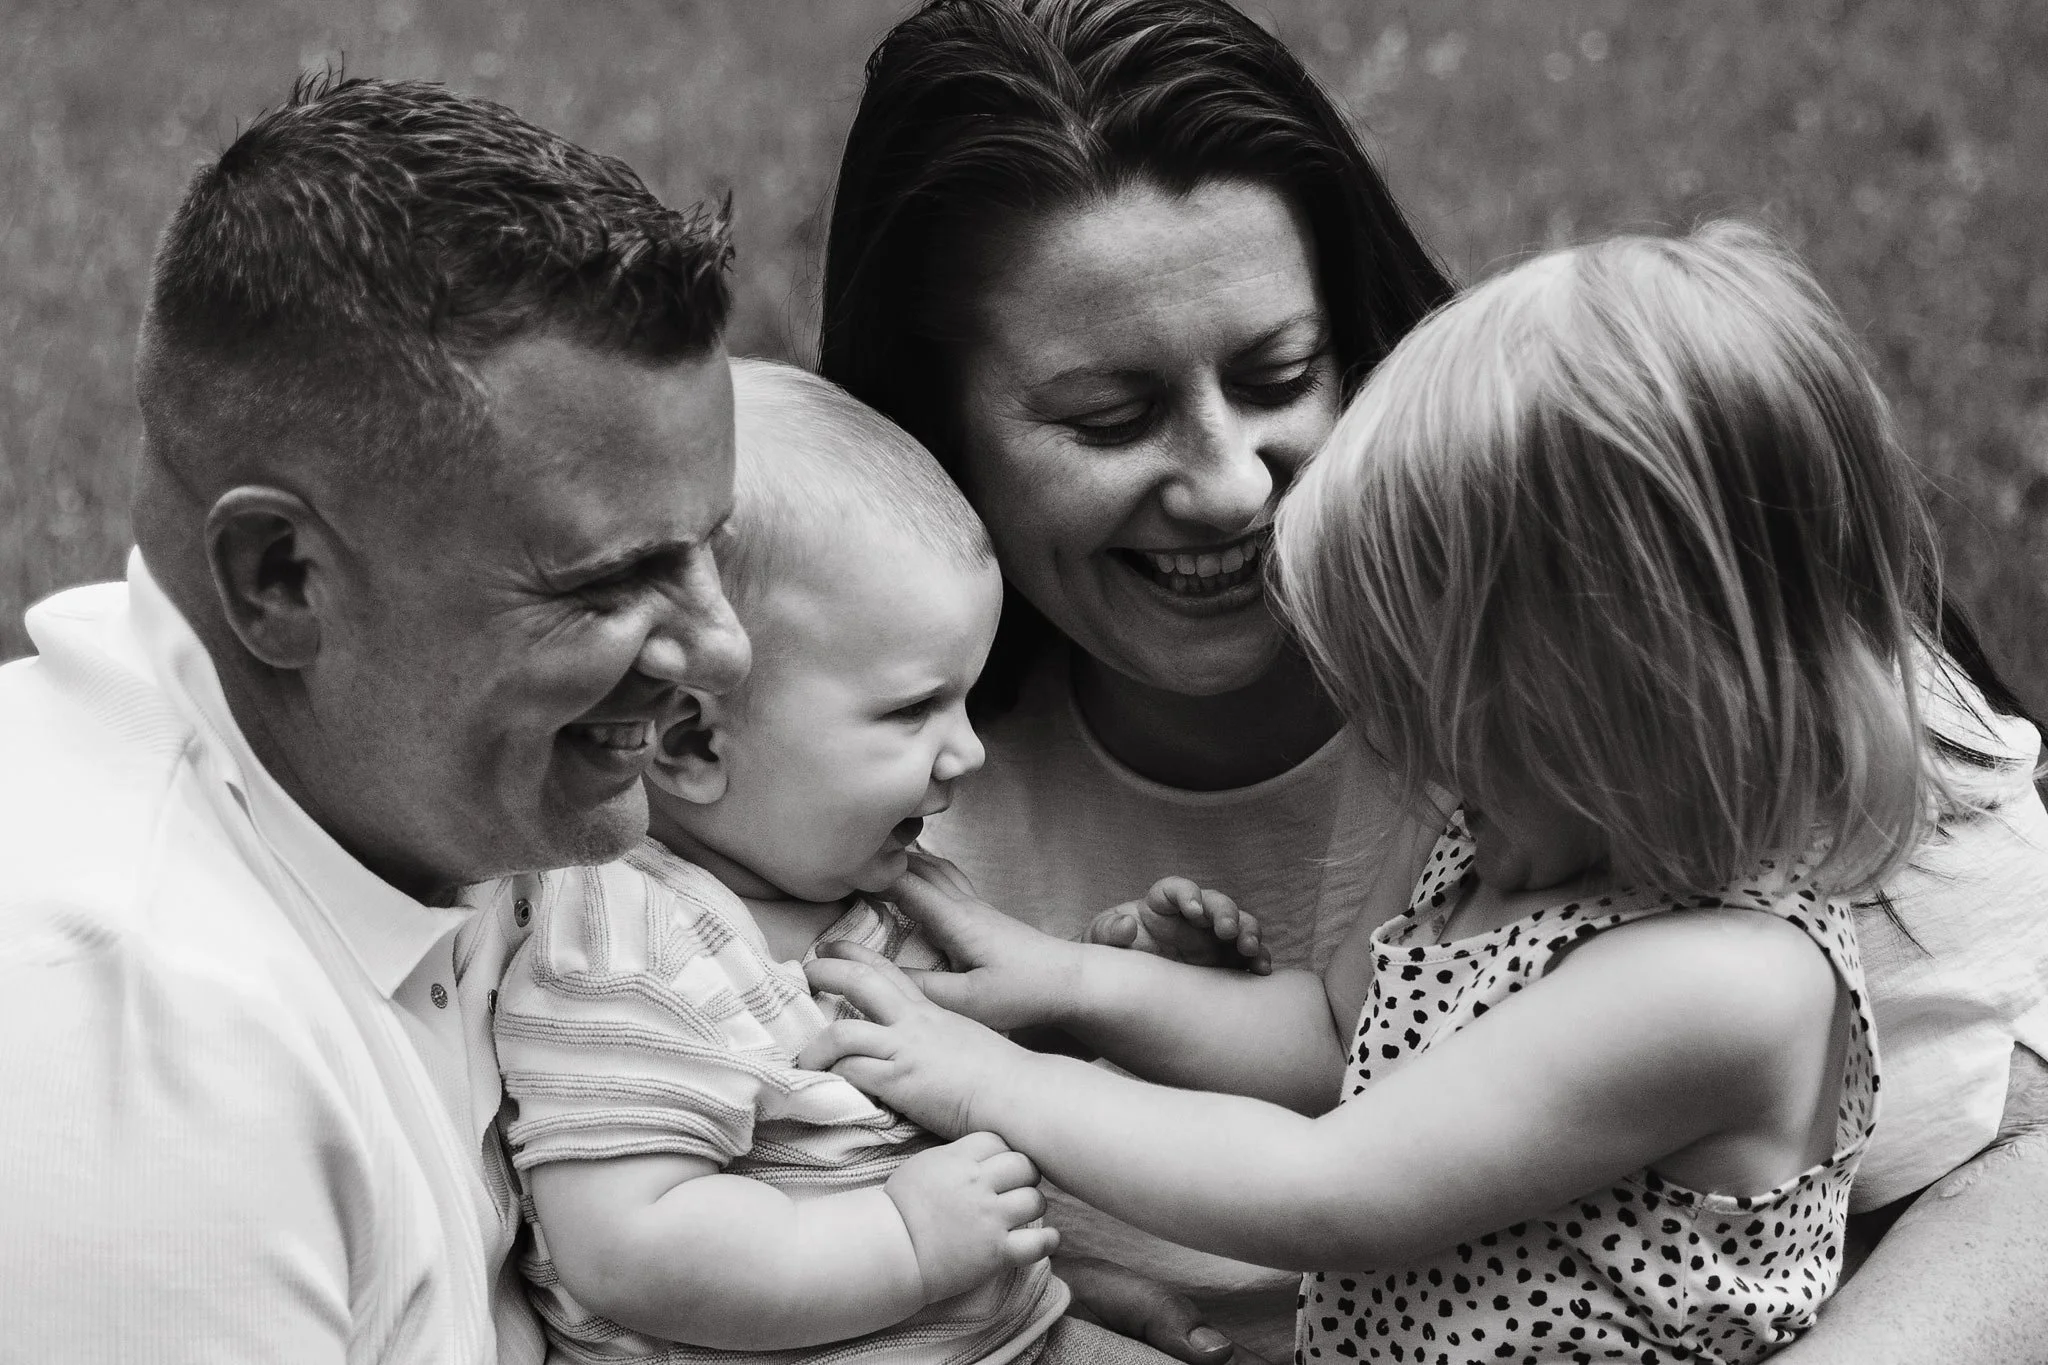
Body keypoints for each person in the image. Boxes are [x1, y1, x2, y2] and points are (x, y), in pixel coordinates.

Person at [814, 3, 2048, 1363]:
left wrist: (994, 1082)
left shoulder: (1719, 978)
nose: (1235, 488)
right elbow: (1326, 1030)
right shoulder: (1504, 850)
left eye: (1281, 373)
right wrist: (1064, 985)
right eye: (1107, 415)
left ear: (1618, 683)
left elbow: (1330, 1185)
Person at [0, 74, 750, 1363]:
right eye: (604, 583)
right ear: (281, 580)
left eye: (707, 550)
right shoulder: (141, 1052)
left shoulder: (401, 786)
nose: (721, 651)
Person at [492, 361, 1194, 1365]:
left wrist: (1087, 998)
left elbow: (951, 1090)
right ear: (690, 744)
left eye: (965, 699)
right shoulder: (624, 946)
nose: (967, 753)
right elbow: (628, 1244)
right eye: (913, 710)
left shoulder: (868, 886)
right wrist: (902, 1241)